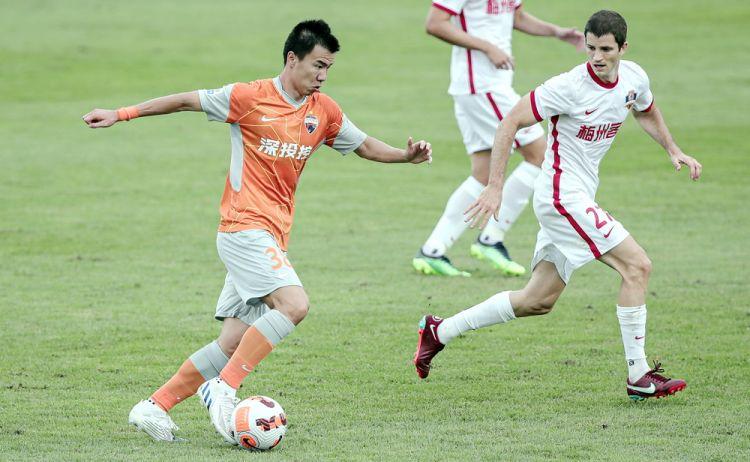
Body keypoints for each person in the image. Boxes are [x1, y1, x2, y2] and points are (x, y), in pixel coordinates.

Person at [83, 19, 432, 443]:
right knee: (294, 304)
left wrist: (405, 156)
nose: (323, 75)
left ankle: (154, 407)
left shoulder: (323, 110)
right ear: (292, 59)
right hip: (243, 228)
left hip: (271, 236)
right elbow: (185, 101)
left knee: (232, 342)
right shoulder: (248, 97)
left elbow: (363, 145)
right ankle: (224, 388)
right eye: (318, 65)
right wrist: (121, 114)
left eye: (328, 68)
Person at [414, 10, 701, 401]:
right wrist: (495, 186)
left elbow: (646, 109)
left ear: (623, 48)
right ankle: (638, 375)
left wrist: (673, 149)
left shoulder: (634, 78)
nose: (597, 57)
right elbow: (510, 122)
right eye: (591, 48)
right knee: (637, 266)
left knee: (537, 300)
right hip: (562, 198)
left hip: (577, 196)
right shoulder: (568, 87)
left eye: (606, 50)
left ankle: (439, 331)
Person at [412, 0, 585, 277]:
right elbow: (435, 23)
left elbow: (517, 17)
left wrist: (556, 32)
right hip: (482, 86)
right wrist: (487, 47)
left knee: (482, 173)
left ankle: (434, 249)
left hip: (485, 87)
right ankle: (491, 238)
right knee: (540, 155)